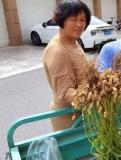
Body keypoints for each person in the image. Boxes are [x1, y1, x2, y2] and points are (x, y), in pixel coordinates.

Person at [42, 0, 91, 131]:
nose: (79, 24)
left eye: (83, 20)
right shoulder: (57, 50)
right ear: (62, 20)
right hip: (68, 118)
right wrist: (99, 96)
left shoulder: (73, 42)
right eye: (74, 19)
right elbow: (67, 93)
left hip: (81, 112)